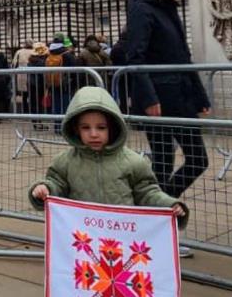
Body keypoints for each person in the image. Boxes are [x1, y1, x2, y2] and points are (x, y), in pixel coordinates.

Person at [28, 86, 189, 230]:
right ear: (76, 129)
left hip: (122, 234)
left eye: (101, 127)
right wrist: (45, 189)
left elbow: (147, 193)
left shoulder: (133, 161)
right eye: (85, 128)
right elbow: (57, 185)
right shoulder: (65, 161)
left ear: (112, 127)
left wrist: (169, 205)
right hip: (82, 235)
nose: (93, 134)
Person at [127, 0, 210, 199]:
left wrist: (200, 95)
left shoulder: (168, 7)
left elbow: (183, 56)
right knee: (163, 161)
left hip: (181, 94)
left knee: (197, 159)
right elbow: (135, 57)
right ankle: (157, 209)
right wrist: (149, 98)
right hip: (160, 98)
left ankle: (158, 204)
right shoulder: (142, 9)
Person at [45, 34, 77, 133]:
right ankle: (65, 128)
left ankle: (57, 127)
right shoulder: (67, 55)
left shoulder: (50, 54)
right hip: (66, 84)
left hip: (53, 85)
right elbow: (75, 70)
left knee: (57, 106)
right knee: (66, 106)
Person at [28, 42, 49, 130]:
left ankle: (35, 123)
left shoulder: (31, 60)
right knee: (38, 104)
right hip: (39, 84)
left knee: (33, 103)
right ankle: (38, 123)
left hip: (31, 83)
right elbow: (43, 74)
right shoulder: (41, 62)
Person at [110, 28, 130, 114]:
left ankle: (123, 111)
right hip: (132, 74)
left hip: (119, 74)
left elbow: (111, 57)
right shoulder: (132, 46)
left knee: (122, 94)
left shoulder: (116, 47)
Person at [13, 39, 35, 113]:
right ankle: (33, 111)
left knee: (24, 96)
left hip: (22, 76)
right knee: (33, 95)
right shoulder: (34, 52)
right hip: (32, 77)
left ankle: (25, 111)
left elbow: (14, 65)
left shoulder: (19, 52)